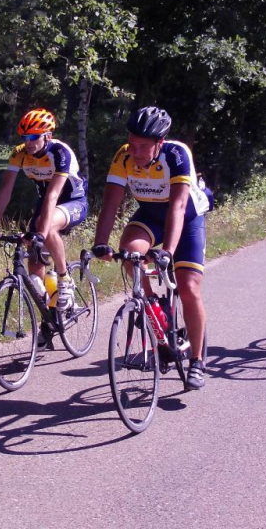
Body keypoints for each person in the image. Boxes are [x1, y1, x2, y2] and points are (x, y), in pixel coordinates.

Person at [92, 106, 211, 390]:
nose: (135, 151)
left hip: (186, 218)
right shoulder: (123, 156)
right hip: (149, 215)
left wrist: (167, 251)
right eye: (132, 144)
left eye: (143, 146)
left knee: (188, 287)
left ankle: (196, 360)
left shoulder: (177, 154)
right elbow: (111, 203)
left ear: (160, 143)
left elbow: (179, 206)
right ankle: (155, 308)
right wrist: (100, 243)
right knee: (130, 252)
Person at [0, 108, 88, 313]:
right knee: (35, 266)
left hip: (73, 200)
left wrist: (40, 234)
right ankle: (50, 318)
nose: (28, 142)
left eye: (33, 137)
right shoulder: (20, 153)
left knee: (43, 228)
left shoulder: (60, 152)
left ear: (47, 136)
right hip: (46, 202)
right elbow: (5, 191)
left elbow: (53, 195)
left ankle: (64, 279)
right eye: (24, 137)